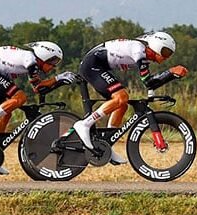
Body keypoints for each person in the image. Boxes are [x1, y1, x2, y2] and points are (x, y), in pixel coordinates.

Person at [72, 32, 187, 164]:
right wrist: (170, 73)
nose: (166, 57)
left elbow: (150, 84)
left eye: (170, 54)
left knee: (122, 105)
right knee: (121, 97)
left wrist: (154, 91)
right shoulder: (139, 51)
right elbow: (149, 82)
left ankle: (106, 142)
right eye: (166, 52)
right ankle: (85, 124)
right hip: (92, 66)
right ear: (156, 46)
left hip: (97, 66)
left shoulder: (144, 56)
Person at [0, 41, 75, 174]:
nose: (54, 66)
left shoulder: (31, 60)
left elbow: (40, 89)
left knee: (5, 114)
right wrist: (58, 78)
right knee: (20, 97)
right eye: (53, 61)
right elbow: (38, 87)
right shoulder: (30, 61)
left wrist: (59, 81)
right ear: (44, 56)